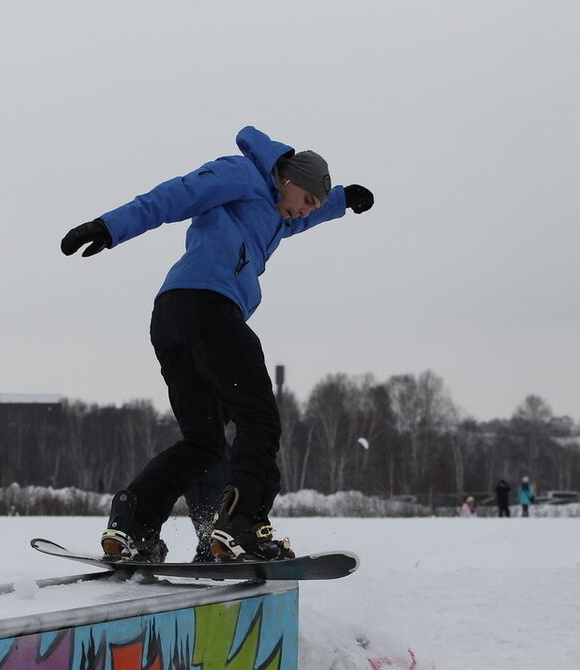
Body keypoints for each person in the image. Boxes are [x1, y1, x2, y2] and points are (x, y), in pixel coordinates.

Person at [61, 125, 373, 562]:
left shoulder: (277, 217)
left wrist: (341, 201)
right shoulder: (242, 176)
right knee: (259, 417)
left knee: (205, 440)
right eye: (305, 201)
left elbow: (306, 217)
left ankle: (133, 525)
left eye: (312, 208)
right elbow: (176, 195)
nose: (303, 213)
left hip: (172, 319)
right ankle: (243, 523)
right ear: (288, 179)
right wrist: (109, 227)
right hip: (207, 306)